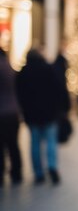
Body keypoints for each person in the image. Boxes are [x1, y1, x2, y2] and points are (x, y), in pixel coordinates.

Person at [16, 48, 67, 185]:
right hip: (49, 113)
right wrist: (63, 108)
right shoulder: (49, 69)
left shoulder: (23, 73)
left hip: (32, 114)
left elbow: (20, 95)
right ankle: (52, 166)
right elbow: (59, 89)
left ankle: (38, 172)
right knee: (50, 141)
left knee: (35, 143)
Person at [0, 48, 22, 186]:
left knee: (1, 146)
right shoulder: (9, 67)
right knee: (13, 144)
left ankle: (1, 173)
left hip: (2, 112)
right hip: (13, 111)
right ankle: (16, 173)